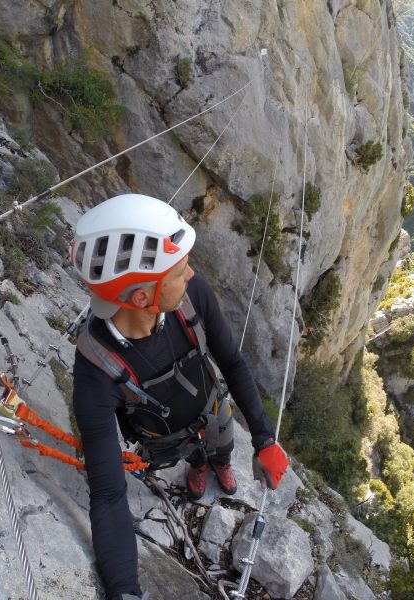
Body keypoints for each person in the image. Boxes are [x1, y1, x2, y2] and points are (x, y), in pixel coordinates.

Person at [71, 193, 290, 600]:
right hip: (162, 439)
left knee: (221, 445)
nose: (190, 274)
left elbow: (232, 362)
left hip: (210, 411)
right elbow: (106, 494)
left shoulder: (191, 298)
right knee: (193, 454)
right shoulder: (95, 372)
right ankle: (197, 467)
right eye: (178, 270)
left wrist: (263, 439)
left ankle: (218, 462)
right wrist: (124, 591)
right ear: (142, 297)